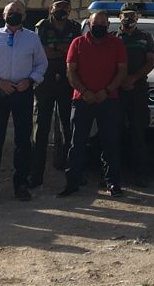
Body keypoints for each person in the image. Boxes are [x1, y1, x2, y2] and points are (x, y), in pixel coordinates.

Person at [0, 0, 47, 203]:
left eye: (18, 11)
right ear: (3, 15)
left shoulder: (32, 38)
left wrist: (31, 80)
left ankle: (21, 185)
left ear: (24, 16)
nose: (14, 13)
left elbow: (42, 63)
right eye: (11, 11)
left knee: (23, 141)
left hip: (23, 92)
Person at [58, 10, 128, 197]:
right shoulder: (77, 43)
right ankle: (72, 183)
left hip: (109, 100)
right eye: (96, 23)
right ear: (89, 24)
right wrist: (85, 92)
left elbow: (121, 71)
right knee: (77, 143)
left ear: (108, 26)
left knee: (110, 143)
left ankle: (112, 183)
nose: (99, 27)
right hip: (82, 100)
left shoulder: (117, 44)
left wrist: (106, 91)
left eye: (103, 24)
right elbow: (70, 71)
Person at [29, 0, 81, 188]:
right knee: (40, 130)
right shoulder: (42, 26)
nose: (62, 10)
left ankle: (72, 173)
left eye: (65, 7)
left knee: (70, 130)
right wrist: (63, 49)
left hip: (67, 83)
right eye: (58, 6)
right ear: (51, 8)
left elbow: (75, 52)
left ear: (70, 10)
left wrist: (56, 48)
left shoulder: (75, 27)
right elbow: (43, 51)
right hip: (45, 82)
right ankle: (36, 175)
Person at [117, 3, 154, 187]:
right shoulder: (113, 38)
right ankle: (111, 174)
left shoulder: (146, 38)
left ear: (137, 17)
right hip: (116, 90)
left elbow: (150, 64)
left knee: (138, 133)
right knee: (113, 133)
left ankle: (141, 174)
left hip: (138, 89)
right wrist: (121, 81)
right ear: (119, 16)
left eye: (132, 15)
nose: (129, 18)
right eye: (125, 14)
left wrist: (132, 78)